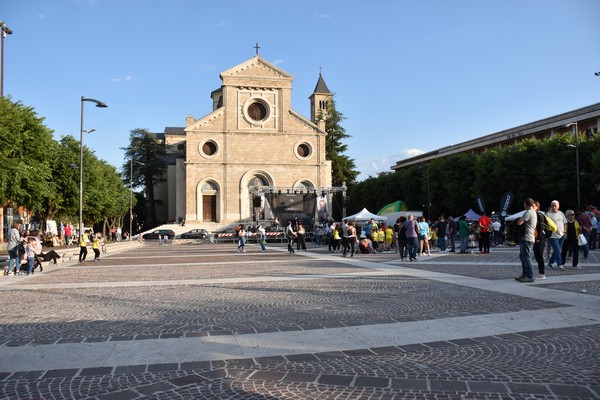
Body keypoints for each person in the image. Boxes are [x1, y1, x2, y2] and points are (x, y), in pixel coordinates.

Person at [515, 198, 537, 282]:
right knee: (523, 256)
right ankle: (525, 274)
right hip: (528, 237)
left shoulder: (528, 212)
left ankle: (529, 276)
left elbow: (519, 222)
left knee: (527, 257)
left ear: (526, 204)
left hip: (526, 237)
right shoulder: (533, 212)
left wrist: (520, 219)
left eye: (524, 204)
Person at [546, 200, 567, 270]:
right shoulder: (548, 214)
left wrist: (565, 231)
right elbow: (545, 226)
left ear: (558, 206)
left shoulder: (561, 213)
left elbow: (565, 223)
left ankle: (550, 263)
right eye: (552, 205)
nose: (554, 207)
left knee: (556, 250)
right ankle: (560, 264)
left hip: (561, 234)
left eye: (555, 205)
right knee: (557, 250)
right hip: (553, 235)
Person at [533, 200, 547, 280]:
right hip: (536, 238)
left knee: (539, 256)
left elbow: (541, 228)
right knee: (537, 256)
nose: (532, 208)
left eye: (534, 206)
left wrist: (538, 238)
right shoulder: (535, 215)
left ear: (537, 207)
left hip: (540, 238)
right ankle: (541, 273)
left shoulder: (539, 215)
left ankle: (542, 274)